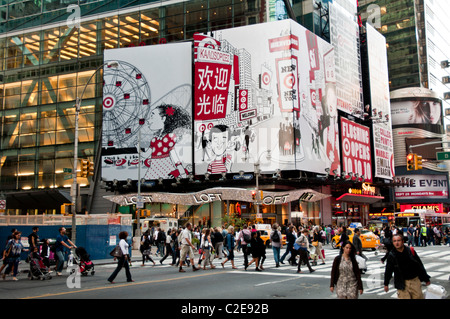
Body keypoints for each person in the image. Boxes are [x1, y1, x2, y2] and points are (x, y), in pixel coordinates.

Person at [383, 233, 430, 299]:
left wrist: (426, 278)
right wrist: (386, 284)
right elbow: (388, 270)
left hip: (414, 281)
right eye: (394, 241)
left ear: (402, 241)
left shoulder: (410, 251)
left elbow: (419, 265)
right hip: (402, 283)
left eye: (398, 240)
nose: (397, 243)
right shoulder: (392, 255)